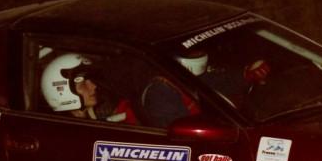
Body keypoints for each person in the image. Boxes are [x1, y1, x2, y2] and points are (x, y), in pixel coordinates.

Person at [141, 49, 270, 128]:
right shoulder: (160, 93)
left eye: (198, 50)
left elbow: (218, 80)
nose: (198, 53)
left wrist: (245, 75)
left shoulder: (187, 76)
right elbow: (184, 132)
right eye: (193, 52)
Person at [40, 53, 137, 124]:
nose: (94, 86)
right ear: (62, 91)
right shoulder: (66, 131)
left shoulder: (88, 117)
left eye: (90, 81)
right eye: (83, 84)